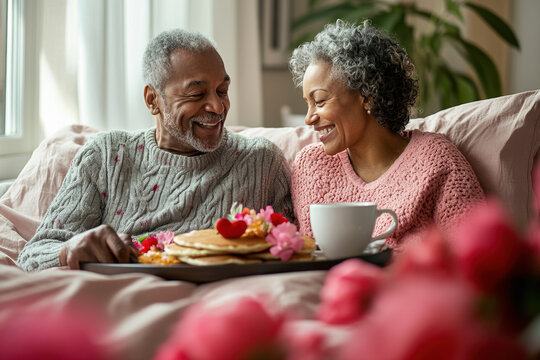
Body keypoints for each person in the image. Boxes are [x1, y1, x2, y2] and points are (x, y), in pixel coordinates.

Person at [18, 29, 293, 272]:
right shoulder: (105, 156)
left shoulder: (261, 162)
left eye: (222, 91)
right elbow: (31, 256)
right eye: (197, 95)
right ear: (153, 100)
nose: (218, 108)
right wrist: (69, 249)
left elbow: (299, 252)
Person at [289, 20, 484, 250]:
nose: (309, 118)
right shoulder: (311, 166)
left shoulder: (436, 160)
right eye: (308, 104)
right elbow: (306, 256)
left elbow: (477, 251)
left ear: (366, 95)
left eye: (319, 101)